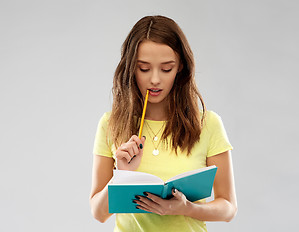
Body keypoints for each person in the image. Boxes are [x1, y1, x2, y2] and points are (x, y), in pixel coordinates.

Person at [89, 15, 237, 232]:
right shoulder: (110, 124)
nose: (155, 79)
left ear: (180, 68)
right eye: (144, 68)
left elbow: (228, 208)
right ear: (131, 68)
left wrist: (186, 208)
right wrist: (121, 175)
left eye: (166, 68)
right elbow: (98, 213)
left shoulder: (208, 124)